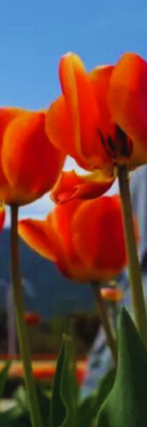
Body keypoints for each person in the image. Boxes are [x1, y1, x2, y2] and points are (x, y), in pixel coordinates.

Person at [82, 166, 147, 396]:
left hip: (132, 278)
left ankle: (94, 407)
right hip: (137, 276)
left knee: (120, 338)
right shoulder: (138, 171)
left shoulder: (135, 170)